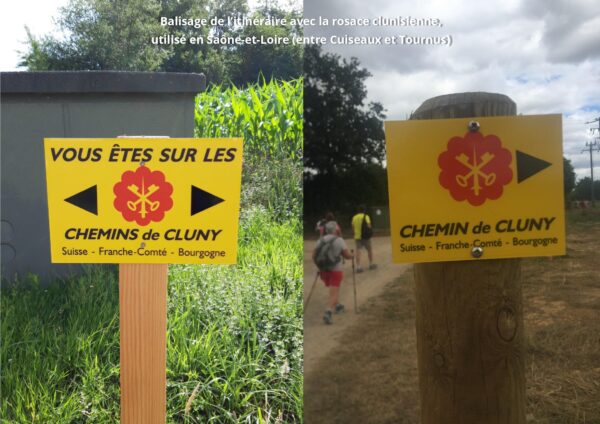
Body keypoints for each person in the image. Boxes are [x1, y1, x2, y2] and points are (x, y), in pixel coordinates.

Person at [312, 221, 353, 324]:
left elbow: (313, 256)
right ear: (336, 229)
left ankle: (338, 306)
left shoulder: (320, 240)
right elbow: (347, 256)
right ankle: (328, 312)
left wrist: (319, 267)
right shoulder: (339, 240)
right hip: (336, 270)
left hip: (324, 270)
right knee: (333, 292)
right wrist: (353, 256)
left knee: (333, 290)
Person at [351, 204, 376, 273]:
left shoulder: (354, 217)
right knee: (369, 250)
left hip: (357, 237)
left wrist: (354, 233)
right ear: (364, 210)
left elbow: (352, 227)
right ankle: (371, 264)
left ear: (358, 210)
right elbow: (368, 225)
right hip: (365, 236)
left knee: (358, 251)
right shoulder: (366, 216)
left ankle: (358, 267)